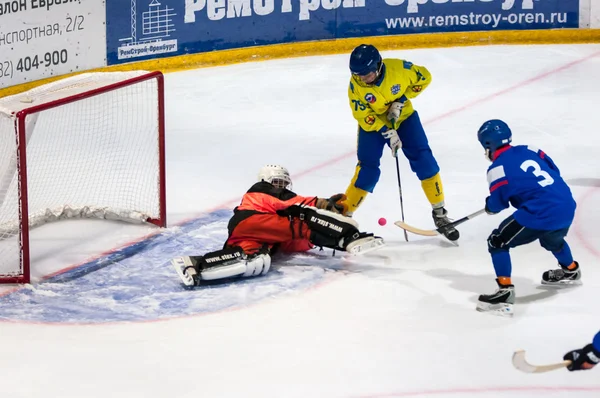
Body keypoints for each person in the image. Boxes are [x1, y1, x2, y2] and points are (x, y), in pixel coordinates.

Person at [173, 164, 384, 286]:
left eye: (284, 183)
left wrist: (312, 242)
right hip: (251, 219)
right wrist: (322, 204)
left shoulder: (275, 212)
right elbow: (293, 203)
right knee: (303, 221)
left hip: (249, 232)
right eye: (278, 182)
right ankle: (349, 237)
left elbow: (291, 241)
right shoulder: (262, 188)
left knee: (254, 260)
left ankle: (197, 264)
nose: (281, 186)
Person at [341, 43, 458, 241]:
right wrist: (386, 131)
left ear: (378, 66)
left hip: (404, 118)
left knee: (425, 161)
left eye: (366, 74)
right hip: (374, 126)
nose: (363, 79)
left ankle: (440, 214)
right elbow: (363, 115)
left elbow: (424, 77)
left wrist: (401, 100)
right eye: (358, 75)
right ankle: (343, 217)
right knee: (367, 169)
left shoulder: (400, 70)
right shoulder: (356, 86)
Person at [475, 119, 580, 317]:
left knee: (497, 241)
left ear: (488, 145)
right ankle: (571, 269)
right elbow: (553, 171)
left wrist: (490, 205)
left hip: (541, 212)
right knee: (552, 238)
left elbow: (498, 205)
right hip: (566, 203)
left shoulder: (497, 169)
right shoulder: (530, 149)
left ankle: (504, 293)